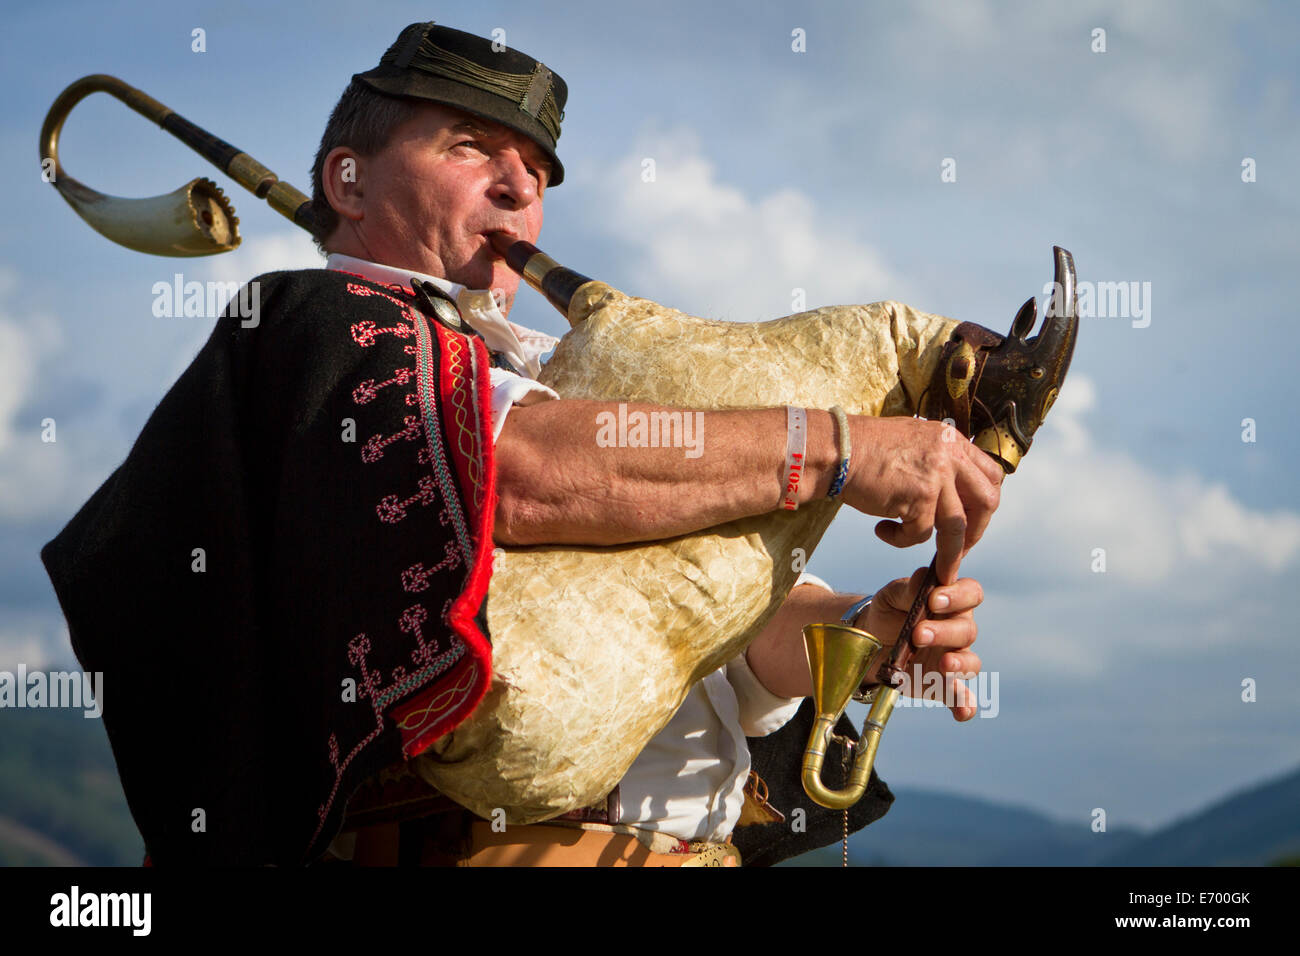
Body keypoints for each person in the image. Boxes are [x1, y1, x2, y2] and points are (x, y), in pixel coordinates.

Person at [41, 22, 998, 867]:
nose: (518, 187)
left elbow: (734, 659)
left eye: (536, 173)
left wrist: (871, 631)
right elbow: (519, 475)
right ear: (348, 178)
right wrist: (829, 448)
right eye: (472, 148)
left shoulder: (547, 374)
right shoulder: (317, 331)